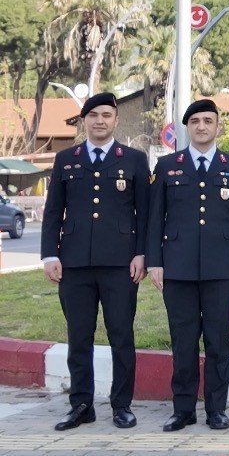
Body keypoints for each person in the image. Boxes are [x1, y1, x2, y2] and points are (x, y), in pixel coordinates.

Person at [41, 93, 149, 431]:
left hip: (120, 264)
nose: (99, 120)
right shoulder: (66, 159)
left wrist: (142, 253)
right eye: (93, 115)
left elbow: (144, 213)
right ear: (83, 121)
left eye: (106, 115)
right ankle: (81, 405)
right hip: (74, 265)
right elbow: (52, 212)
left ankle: (122, 406)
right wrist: (49, 254)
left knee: (121, 336)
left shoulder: (133, 158)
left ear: (116, 120)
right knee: (79, 337)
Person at [147, 99, 229, 432]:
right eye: (195, 121)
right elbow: (154, 220)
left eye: (208, 120)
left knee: (218, 341)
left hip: (221, 270)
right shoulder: (167, 166)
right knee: (183, 340)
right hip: (177, 269)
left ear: (217, 125)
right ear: (187, 127)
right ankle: (183, 409)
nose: (202, 126)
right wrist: (155, 262)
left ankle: (216, 409)